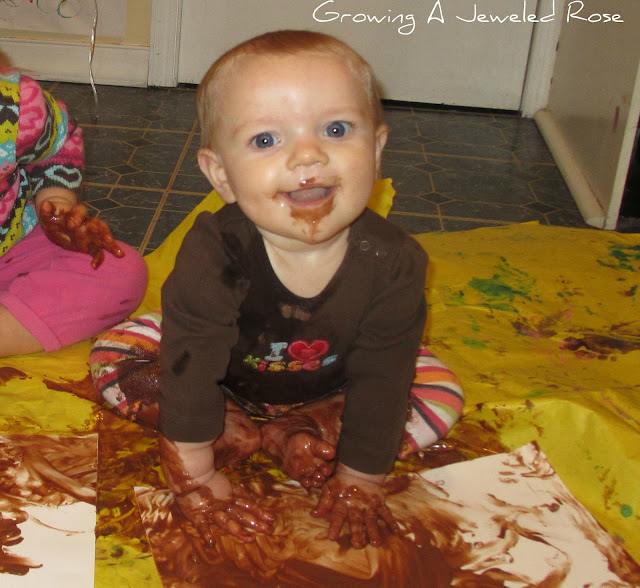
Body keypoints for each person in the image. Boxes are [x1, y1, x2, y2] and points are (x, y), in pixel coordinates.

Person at [90, 30, 464, 549]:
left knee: (437, 389)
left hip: (330, 385)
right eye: (266, 140)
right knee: (115, 352)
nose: (307, 156)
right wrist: (193, 474)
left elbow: (382, 379)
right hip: (224, 379)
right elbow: (190, 365)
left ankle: (303, 429)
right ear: (221, 175)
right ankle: (229, 424)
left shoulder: (396, 262)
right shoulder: (214, 252)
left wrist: (360, 478)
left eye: (336, 129)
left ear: (377, 150)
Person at [0, 66, 147, 357]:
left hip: (13, 248)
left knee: (119, 269)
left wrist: (56, 204)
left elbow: (57, 145)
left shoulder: (16, 102)